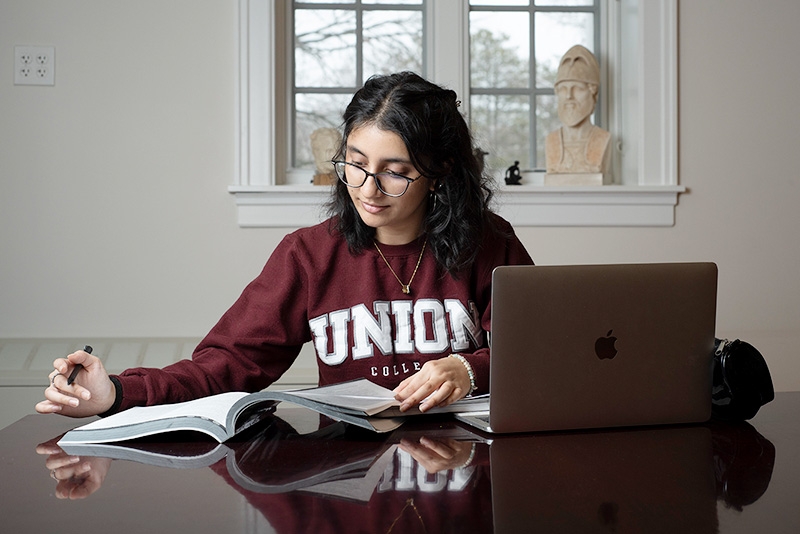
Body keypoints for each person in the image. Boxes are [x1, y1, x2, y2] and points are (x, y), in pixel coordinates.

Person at [36, 71, 533, 420]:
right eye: (355, 163)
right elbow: (226, 364)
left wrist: (471, 367)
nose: (366, 187)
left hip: (467, 463)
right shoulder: (309, 254)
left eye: (395, 173)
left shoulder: (490, 244)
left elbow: (540, 353)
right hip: (351, 471)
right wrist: (118, 391)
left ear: (440, 172)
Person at [545, 44, 611, 175]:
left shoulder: (603, 138)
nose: (569, 96)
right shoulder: (551, 141)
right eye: (563, 89)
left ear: (593, 93)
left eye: (577, 88)